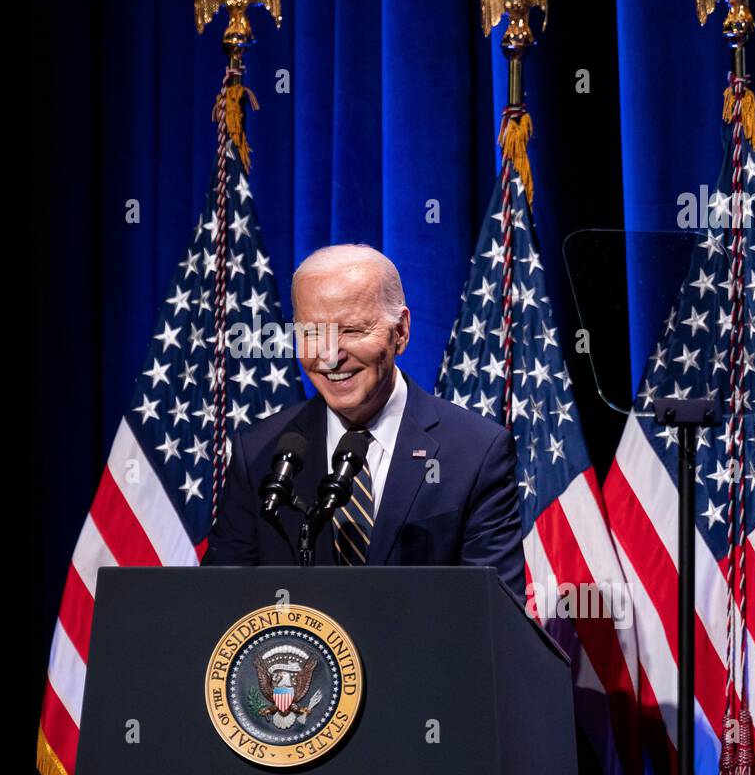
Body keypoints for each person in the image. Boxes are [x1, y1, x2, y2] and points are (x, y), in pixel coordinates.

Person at [203, 243, 524, 599]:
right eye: (311, 333)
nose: (329, 356)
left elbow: (494, 617)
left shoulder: (476, 453)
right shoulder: (259, 451)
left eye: (351, 331)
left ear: (400, 331)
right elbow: (219, 603)